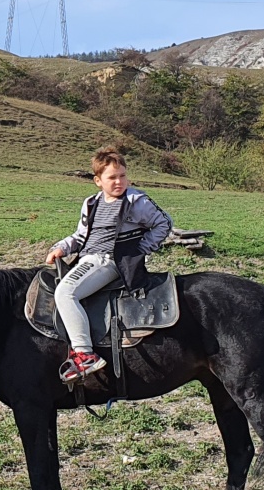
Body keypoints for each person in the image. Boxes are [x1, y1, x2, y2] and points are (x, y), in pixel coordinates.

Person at [45, 148, 174, 384]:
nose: (119, 181)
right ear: (98, 181)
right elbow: (81, 235)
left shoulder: (136, 201)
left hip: (107, 261)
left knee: (65, 292)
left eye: (122, 176)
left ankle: (85, 354)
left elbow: (164, 223)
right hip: (86, 258)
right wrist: (62, 247)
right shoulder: (91, 203)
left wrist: (139, 250)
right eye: (112, 177)